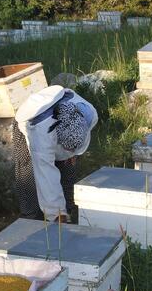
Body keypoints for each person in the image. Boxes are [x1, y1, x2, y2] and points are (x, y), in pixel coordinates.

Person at [12, 85, 98, 223]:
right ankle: (32, 219)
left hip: (58, 120)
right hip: (29, 123)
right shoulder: (39, 136)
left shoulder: (88, 112)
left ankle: (68, 209)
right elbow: (46, 176)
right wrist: (57, 216)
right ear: (56, 136)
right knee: (30, 174)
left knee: (68, 169)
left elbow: (81, 133)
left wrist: (74, 153)